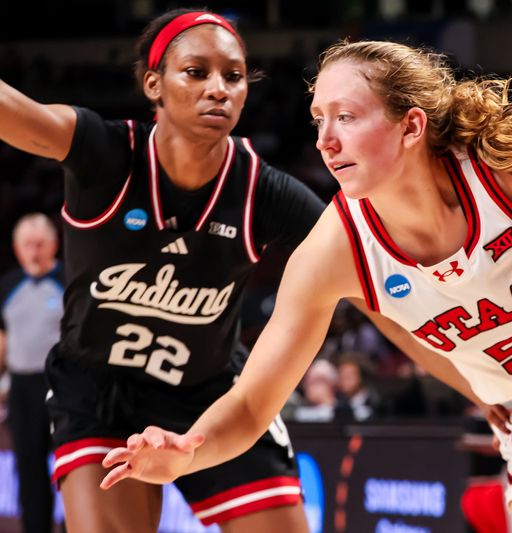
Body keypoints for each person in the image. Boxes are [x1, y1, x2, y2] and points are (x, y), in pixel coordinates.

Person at [101, 39, 512, 533]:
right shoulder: (333, 252)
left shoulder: (505, 176)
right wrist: (185, 454)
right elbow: (250, 404)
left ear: (411, 127)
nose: (325, 140)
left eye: (347, 117)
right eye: (318, 118)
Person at [0, 9, 327, 532]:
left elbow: (375, 273)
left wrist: (482, 384)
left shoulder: (265, 191)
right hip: (98, 393)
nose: (218, 89)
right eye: (196, 72)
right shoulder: (104, 153)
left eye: (233, 76)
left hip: (211, 393)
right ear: (154, 83)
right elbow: (11, 110)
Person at [0, 213, 63, 533]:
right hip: (22, 387)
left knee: (70, 464)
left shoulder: (67, 282)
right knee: (28, 466)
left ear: (54, 244)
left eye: (40, 243)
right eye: (27, 244)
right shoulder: (9, 285)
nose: (34, 251)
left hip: (60, 388)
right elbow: (2, 339)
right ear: (16, 248)